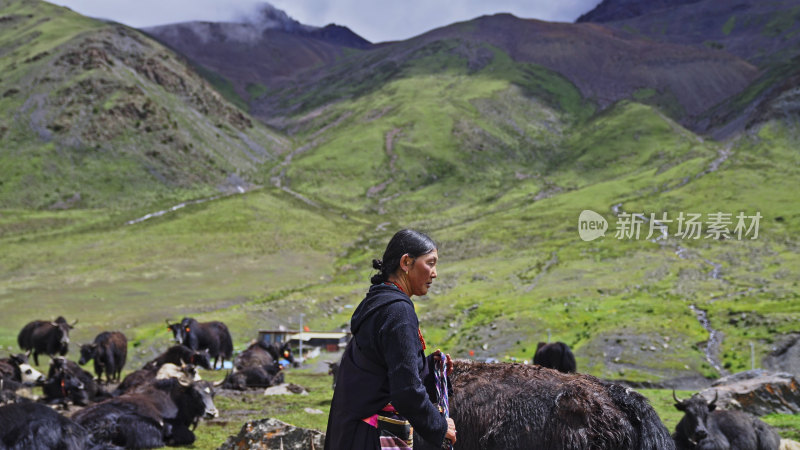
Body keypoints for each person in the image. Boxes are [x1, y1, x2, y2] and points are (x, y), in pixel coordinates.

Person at [325, 229, 457, 449]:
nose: (435, 273)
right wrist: (439, 426)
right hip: (372, 436)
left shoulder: (377, 302)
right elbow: (406, 391)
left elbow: (381, 371)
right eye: (430, 263)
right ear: (406, 262)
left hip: (352, 431)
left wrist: (428, 368)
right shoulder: (398, 311)